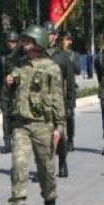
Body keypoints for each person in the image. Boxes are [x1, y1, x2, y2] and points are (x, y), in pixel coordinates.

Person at [4, 24, 65, 205]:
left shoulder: (51, 67)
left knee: (45, 168)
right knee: (19, 165)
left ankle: (50, 199)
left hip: (43, 125)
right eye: (23, 41)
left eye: (28, 41)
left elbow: (57, 98)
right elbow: (12, 93)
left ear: (38, 43)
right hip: (21, 125)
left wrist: (59, 127)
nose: (24, 44)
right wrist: (10, 83)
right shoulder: (19, 65)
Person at [43, 21, 75, 178]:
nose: (47, 37)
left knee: (60, 136)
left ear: (55, 36)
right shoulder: (39, 55)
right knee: (42, 137)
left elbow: (70, 83)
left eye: (49, 34)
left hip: (59, 103)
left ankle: (62, 162)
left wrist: (70, 105)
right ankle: (45, 168)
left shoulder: (62, 57)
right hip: (41, 103)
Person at [0, 32, 22, 154]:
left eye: (13, 42)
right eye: (9, 42)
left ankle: (18, 142)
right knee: (6, 118)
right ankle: (7, 143)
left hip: (17, 92)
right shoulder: (3, 58)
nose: (11, 44)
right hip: (6, 92)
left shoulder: (21, 57)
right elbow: (0, 79)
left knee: (17, 119)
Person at [59, 31, 82, 151]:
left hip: (69, 87)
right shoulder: (56, 54)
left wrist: (69, 60)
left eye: (67, 39)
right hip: (57, 88)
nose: (64, 41)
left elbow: (78, 70)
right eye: (62, 39)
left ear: (70, 41)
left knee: (69, 115)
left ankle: (70, 139)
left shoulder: (74, 55)